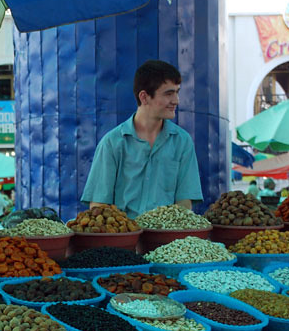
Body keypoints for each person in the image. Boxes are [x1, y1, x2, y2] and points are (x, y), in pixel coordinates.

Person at [81, 59, 203, 218]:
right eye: (168, 93)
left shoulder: (182, 142)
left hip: (167, 239)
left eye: (177, 92)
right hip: (123, 239)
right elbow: (98, 207)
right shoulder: (112, 143)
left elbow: (185, 204)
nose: (176, 101)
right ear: (144, 97)